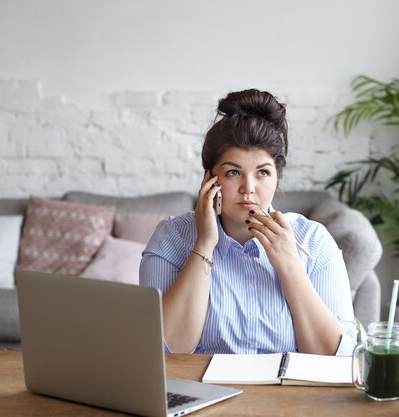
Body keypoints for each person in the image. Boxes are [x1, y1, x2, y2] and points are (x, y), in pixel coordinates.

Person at [140, 88, 357, 356]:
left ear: (277, 177)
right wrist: (205, 244)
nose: (248, 188)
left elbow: (339, 359)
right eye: (233, 172)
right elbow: (164, 352)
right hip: (205, 395)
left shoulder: (314, 240)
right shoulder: (172, 238)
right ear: (209, 178)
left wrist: (289, 264)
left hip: (289, 397)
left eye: (263, 172)